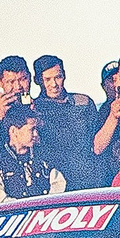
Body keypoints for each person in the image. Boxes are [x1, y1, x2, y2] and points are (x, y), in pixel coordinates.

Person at [31, 54, 104, 189]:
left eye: (58, 77)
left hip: (89, 179)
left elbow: (98, 141)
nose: (54, 84)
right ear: (37, 80)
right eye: (47, 79)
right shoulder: (34, 110)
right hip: (55, 184)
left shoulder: (84, 102)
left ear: (64, 76)